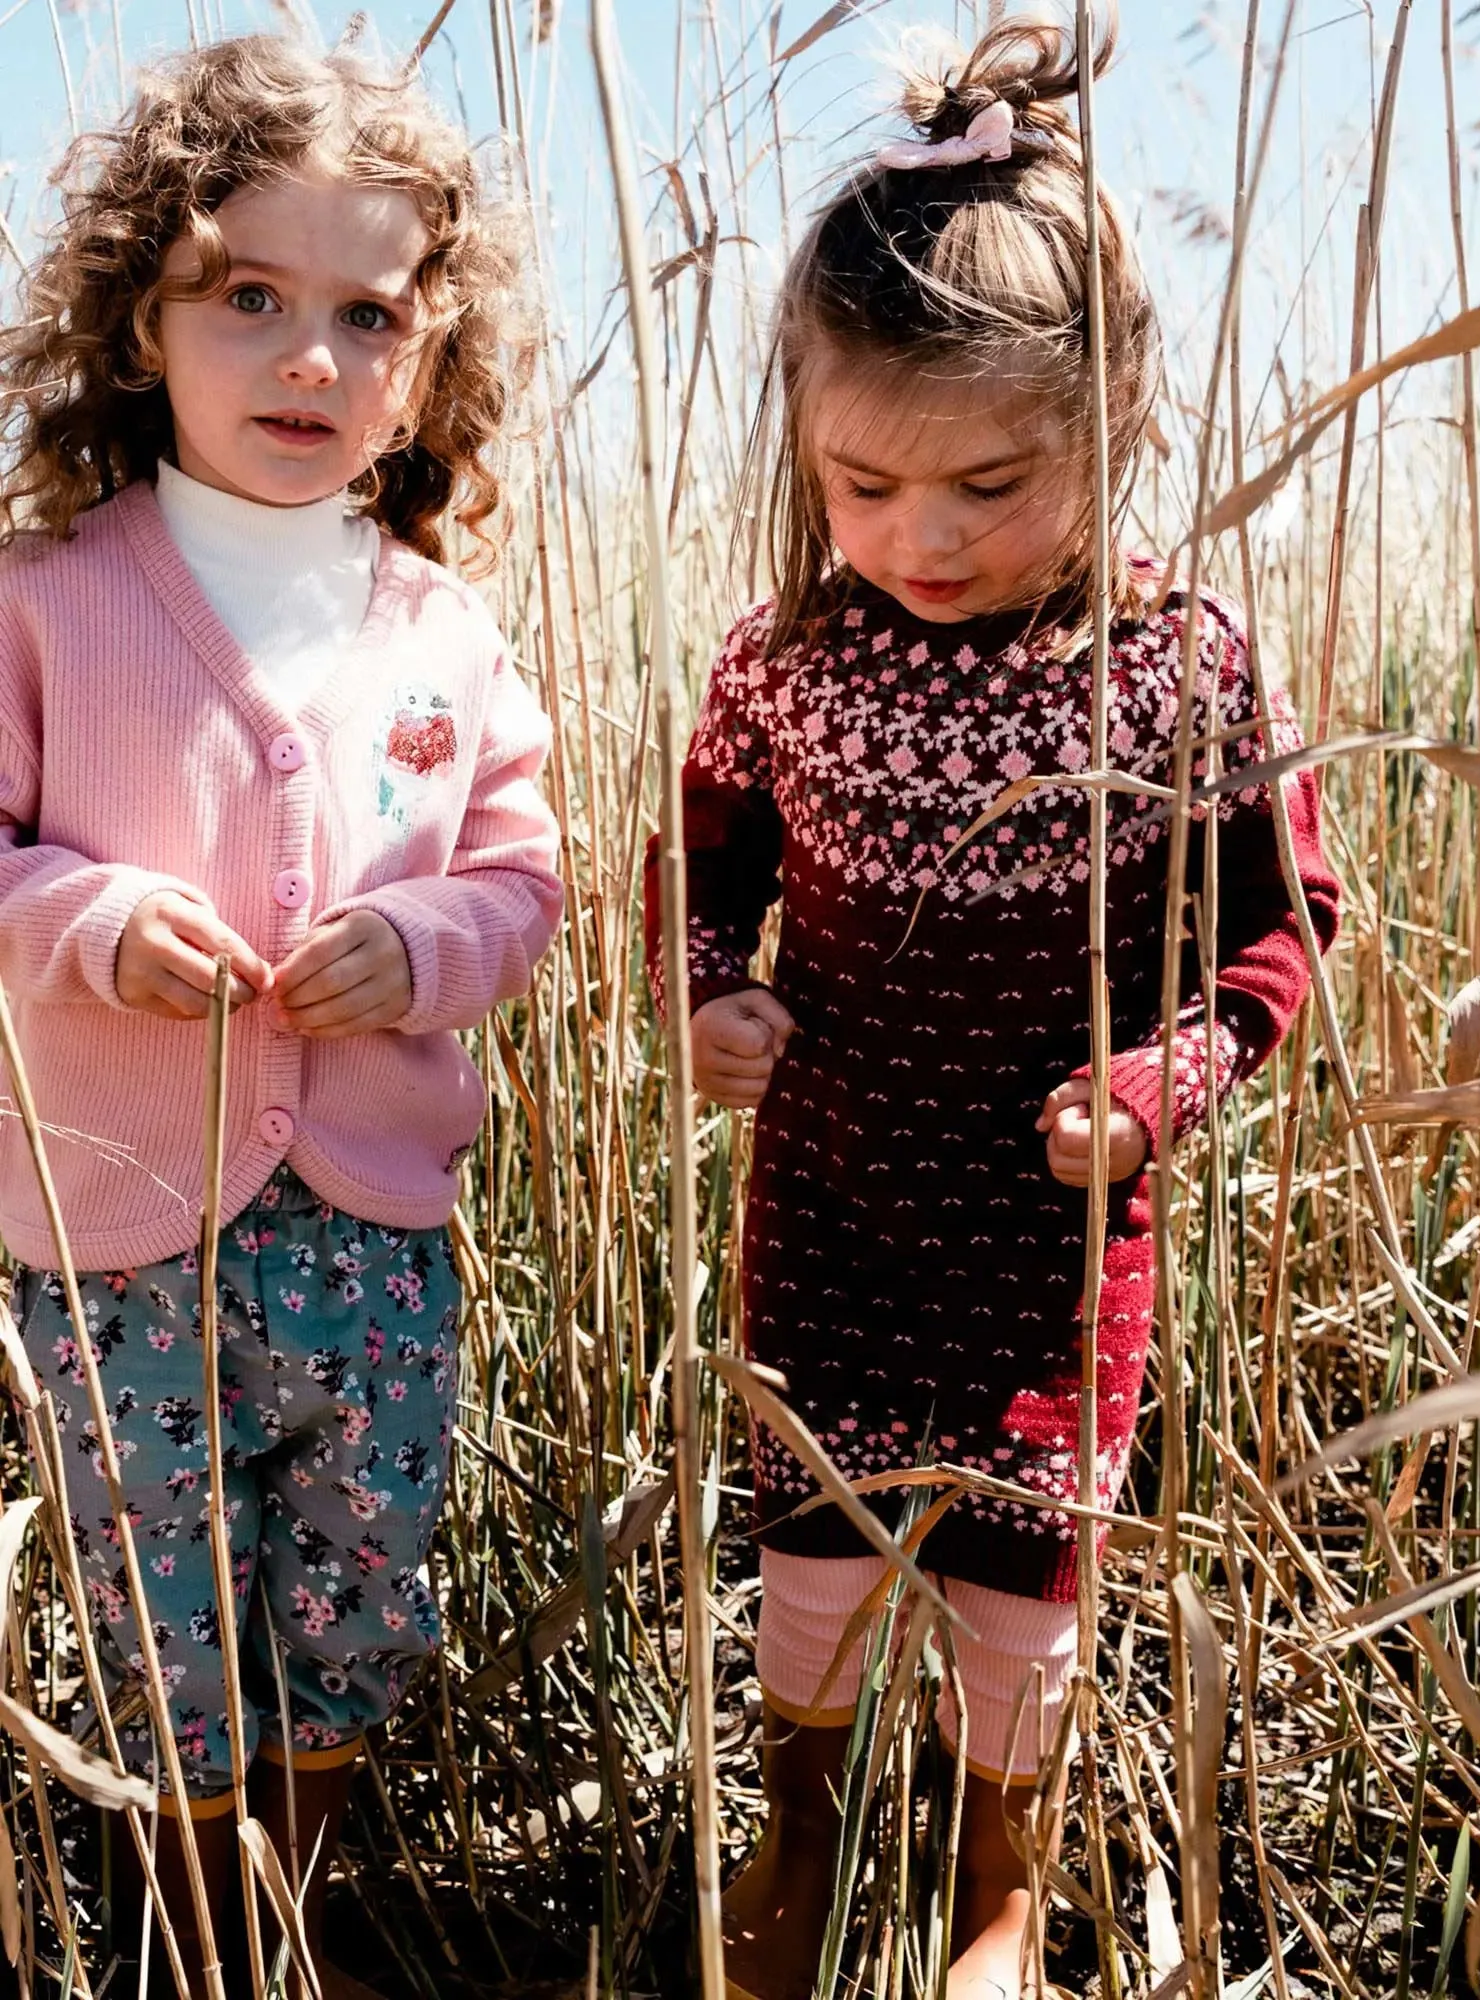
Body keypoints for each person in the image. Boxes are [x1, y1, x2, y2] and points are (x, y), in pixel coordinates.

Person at [642, 16, 1341, 1998]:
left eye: (989, 481)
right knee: (815, 1571)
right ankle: (791, 1845)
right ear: (800, 439)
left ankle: (996, 1894)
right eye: (860, 483)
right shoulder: (777, 663)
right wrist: (709, 998)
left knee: (1023, 1597)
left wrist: (1169, 1071)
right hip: (839, 1205)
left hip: (1055, 1242)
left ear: (1110, 424)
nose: (921, 537)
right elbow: (700, 874)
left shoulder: (1183, 666)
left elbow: (1282, 932)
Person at [0, 35, 562, 1998]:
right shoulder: (48, 599)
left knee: (356, 1575)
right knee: (162, 1606)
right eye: (251, 296)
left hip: (374, 1224)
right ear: (142, 317)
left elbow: (523, 879)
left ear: (427, 358)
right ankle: (187, 1923)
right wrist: (83, 915)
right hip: (118, 1228)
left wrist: (423, 947)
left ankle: (285, 1906)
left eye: (367, 313)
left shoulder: (442, 627)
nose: (311, 356)